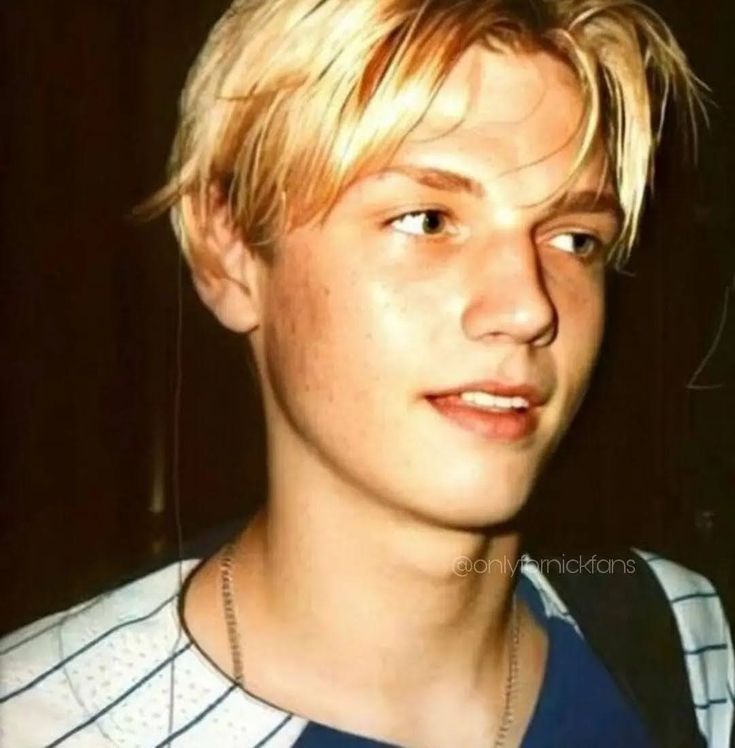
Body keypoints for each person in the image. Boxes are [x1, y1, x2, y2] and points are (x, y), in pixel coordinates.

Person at [1, 0, 733, 745]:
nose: (526, 308)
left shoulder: (678, 638)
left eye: (574, 238)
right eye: (426, 220)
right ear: (228, 253)